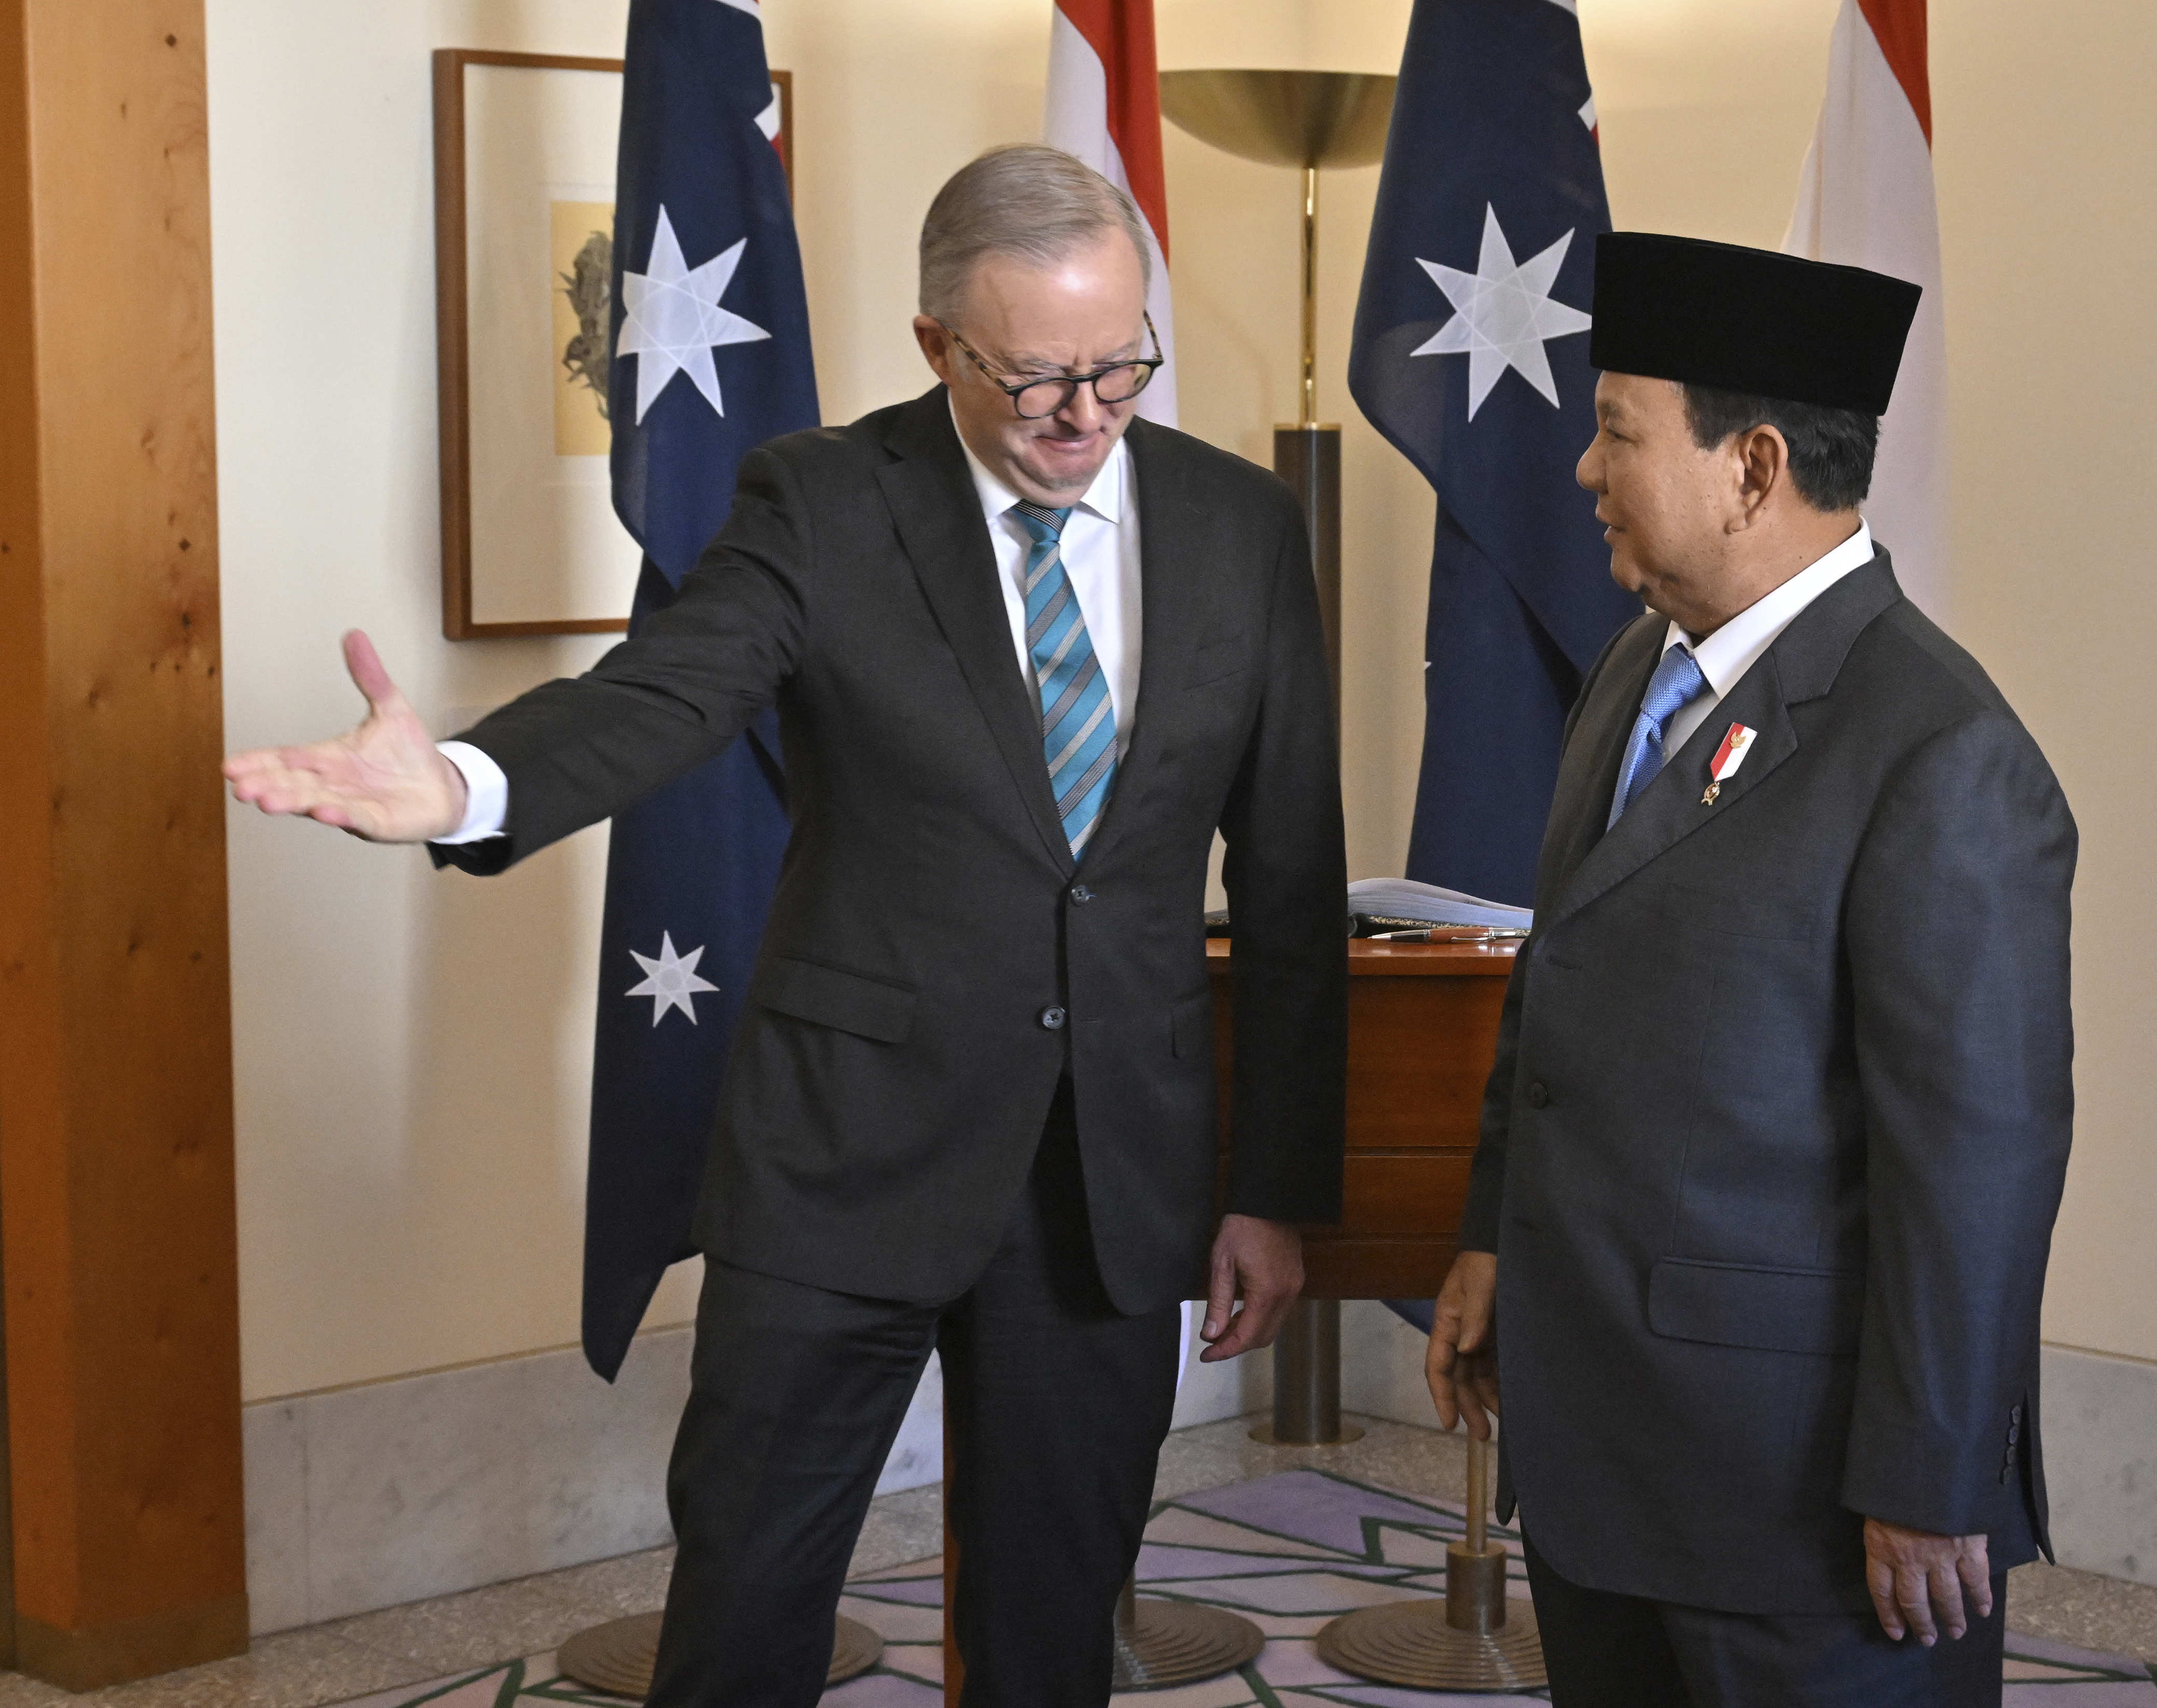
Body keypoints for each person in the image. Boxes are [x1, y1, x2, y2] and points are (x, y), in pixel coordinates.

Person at [223, 145, 1349, 1707]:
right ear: (935, 348)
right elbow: (668, 691)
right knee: (747, 1608)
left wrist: (1276, 1186)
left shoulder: (1239, 527)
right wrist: (472, 786)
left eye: (1120, 366)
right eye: (1036, 379)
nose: (1087, 417)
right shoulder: (824, 502)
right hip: (845, 1158)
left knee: (1053, 1625)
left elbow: (1294, 884)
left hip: (1112, 1175)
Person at [1423, 232, 2075, 1706]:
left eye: (1615, 432)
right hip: (1606, 1461)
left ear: (1754, 468)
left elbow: (1977, 1158)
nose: (1586, 472)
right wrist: (1488, 1239)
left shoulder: (1939, 750)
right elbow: (1557, 998)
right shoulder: (1635, 670)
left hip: (1800, 1508)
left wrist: (1931, 1470)